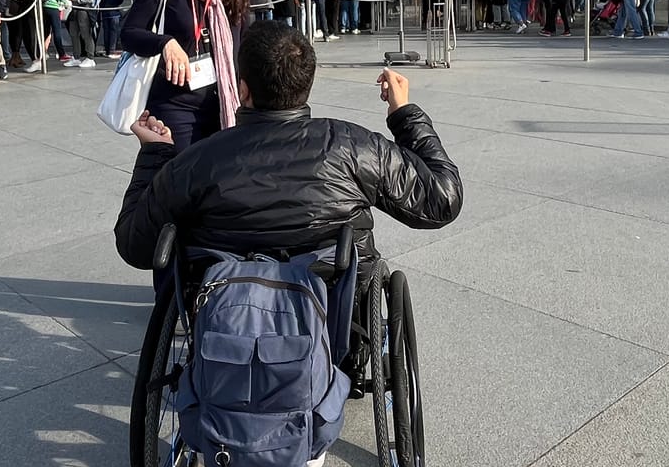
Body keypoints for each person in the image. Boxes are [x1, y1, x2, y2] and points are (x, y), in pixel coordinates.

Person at [115, 21, 462, 282]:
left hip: (228, 314)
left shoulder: (196, 161)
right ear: (306, 83)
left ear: (242, 89)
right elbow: (441, 201)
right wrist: (403, 114)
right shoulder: (353, 146)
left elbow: (135, 245)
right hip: (330, 305)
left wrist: (156, 154)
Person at [119, 0, 249, 165]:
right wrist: (165, 43)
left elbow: (245, 36)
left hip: (226, 102)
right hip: (176, 106)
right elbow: (129, 33)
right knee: (184, 182)